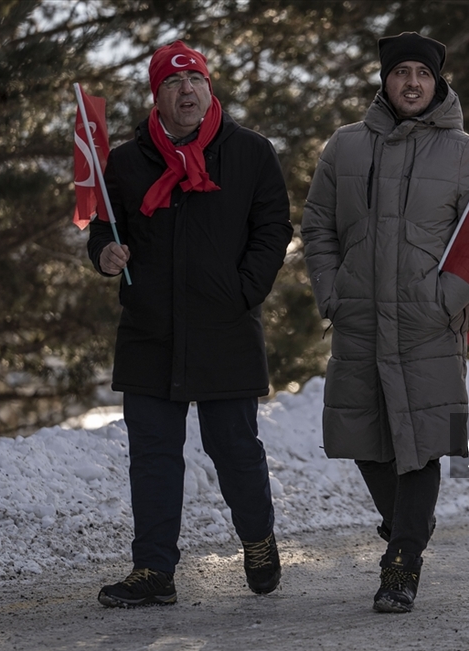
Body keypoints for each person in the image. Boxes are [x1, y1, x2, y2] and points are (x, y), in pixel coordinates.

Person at [88, 40, 293, 607]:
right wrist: (105, 253)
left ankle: (258, 540)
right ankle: (153, 570)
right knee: (153, 456)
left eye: (195, 80)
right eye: (173, 83)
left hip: (225, 326)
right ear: (157, 96)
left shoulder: (250, 152)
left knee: (234, 448)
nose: (186, 90)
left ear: (209, 88)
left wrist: (243, 290)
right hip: (150, 330)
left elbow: (274, 226)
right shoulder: (126, 162)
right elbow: (104, 226)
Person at [300, 32, 469, 613]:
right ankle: (410, 526)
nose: (412, 82)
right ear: (385, 80)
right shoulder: (345, 146)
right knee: (366, 436)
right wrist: (332, 292)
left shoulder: (464, 151)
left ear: (438, 82)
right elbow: (317, 224)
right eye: (402, 71)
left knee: (421, 442)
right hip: (359, 317)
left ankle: (402, 563)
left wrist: (444, 300)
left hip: (427, 323)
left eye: (423, 74)